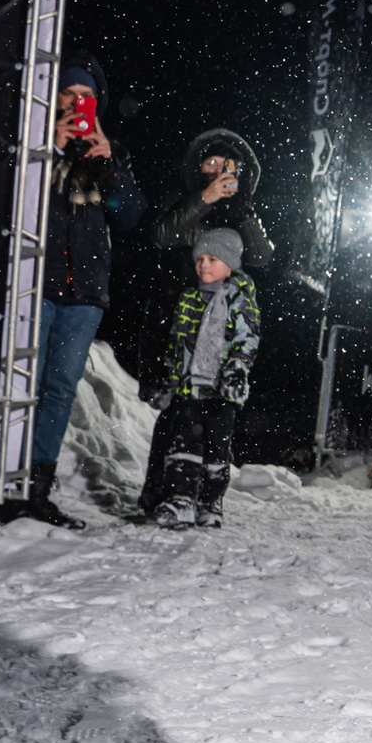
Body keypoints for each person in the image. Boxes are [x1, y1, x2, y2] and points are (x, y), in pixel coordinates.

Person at [6, 54, 146, 527]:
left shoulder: (109, 153)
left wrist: (107, 164)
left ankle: (38, 490)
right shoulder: (31, 143)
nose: (78, 103)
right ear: (53, 97)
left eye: (86, 97)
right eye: (70, 94)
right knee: (24, 386)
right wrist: (52, 146)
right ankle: (9, 483)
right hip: (35, 286)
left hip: (84, 295)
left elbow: (128, 216)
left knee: (60, 391)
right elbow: (15, 199)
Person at [137, 129, 275, 517]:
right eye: (210, 163)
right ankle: (160, 496)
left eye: (226, 166)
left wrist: (244, 210)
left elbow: (262, 257)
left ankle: (203, 499)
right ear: (197, 166)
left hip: (218, 330)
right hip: (175, 322)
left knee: (213, 419)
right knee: (173, 414)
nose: (217, 171)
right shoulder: (182, 201)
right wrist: (203, 201)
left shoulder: (243, 212)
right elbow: (162, 236)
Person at [149, 227, 260, 530]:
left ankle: (210, 502)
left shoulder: (241, 299)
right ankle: (181, 499)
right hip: (190, 388)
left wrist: (238, 368)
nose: (204, 265)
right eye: (200, 259)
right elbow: (177, 340)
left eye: (213, 259)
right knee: (184, 442)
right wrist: (170, 376)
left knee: (216, 449)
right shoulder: (189, 296)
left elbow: (247, 338)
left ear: (230, 264)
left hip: (223, 391)